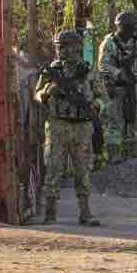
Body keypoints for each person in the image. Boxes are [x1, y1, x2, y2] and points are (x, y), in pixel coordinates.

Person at [34, 31, 100, 226]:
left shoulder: (87, 70)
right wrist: (48, 90)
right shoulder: (52, 71)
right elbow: (37, 94)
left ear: (75, 47)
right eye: (59, 46)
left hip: (82, 126)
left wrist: (94, 105)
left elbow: (101, 95)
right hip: (57, 124)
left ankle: (85, 213)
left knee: (83, 169)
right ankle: (50, 213)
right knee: (53, 168)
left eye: (64, 46)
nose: (61, 50)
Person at [98, 11, 137, 163]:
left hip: (135, 87)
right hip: (117, 88)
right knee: (115, 122)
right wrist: (118, 74)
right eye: (130, 27)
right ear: (122, 27)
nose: (133, 31)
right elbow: (103, 66)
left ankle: (134, 157)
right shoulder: (109, 43)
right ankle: (114, 157)